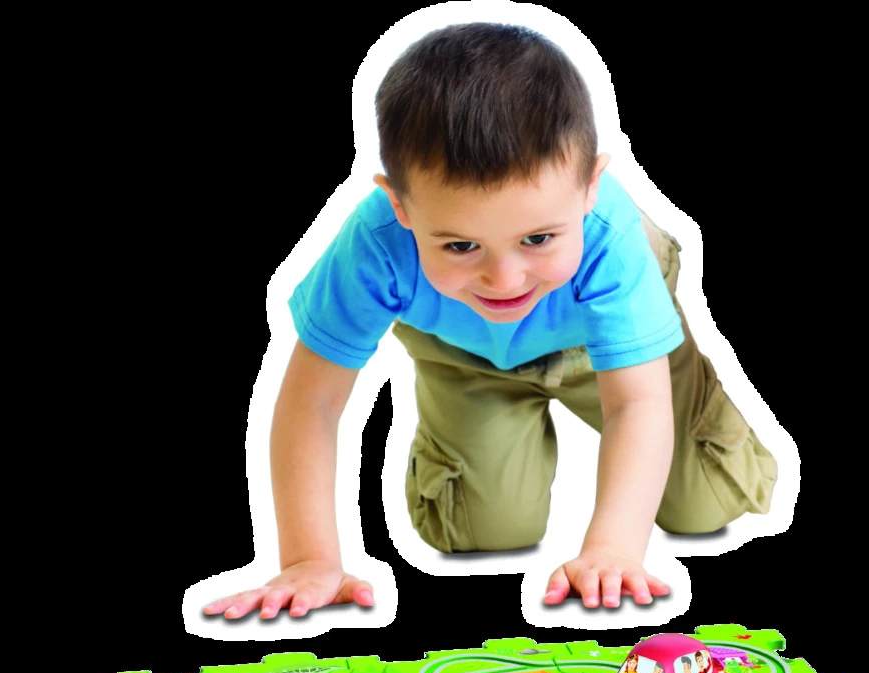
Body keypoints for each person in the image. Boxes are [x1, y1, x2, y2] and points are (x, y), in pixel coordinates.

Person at [204, 22, 778, 621]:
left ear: (590, 187)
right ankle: (474, 417)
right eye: (460, 245)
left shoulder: (611, 237)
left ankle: (695, 402)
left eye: (538, 238)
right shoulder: (374, 244)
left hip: (599, 333)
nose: (504, 280)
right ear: (400, 206)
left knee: (705, 506)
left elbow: (637, 403)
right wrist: (308, 558)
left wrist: (611, 550)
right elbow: (311, 401)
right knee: (480, 532)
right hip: (465, 349)